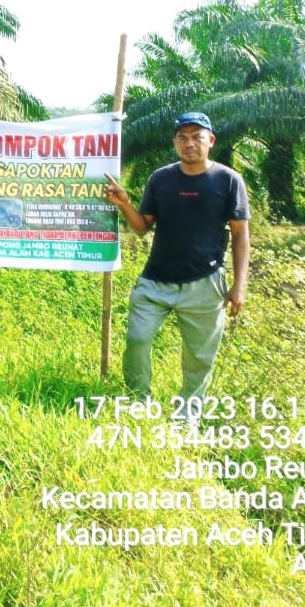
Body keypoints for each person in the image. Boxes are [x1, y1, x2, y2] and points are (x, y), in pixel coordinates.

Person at [104, 111, 250, 423]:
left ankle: (187, 419)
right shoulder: (161, 179)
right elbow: (143, 227)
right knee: (137, 340)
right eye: (182, 137)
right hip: (155, 281)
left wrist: (238, 286)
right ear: (175, 143)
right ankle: (137, 403)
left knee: (199, 359)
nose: (189, 143)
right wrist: (125, 204)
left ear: (210, 141)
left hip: (206, 284)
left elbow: (240, 234)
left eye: (197, 137)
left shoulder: (228, 181)